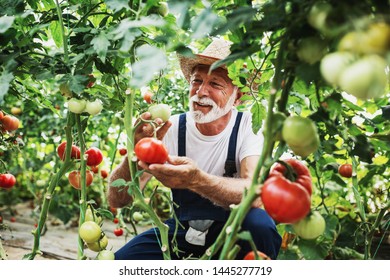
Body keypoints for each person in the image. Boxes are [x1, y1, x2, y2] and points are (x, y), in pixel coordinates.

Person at [107, 38, 282, 260]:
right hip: (182, 231)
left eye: (215, 84)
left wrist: (196, 180)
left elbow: (255, 194)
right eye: (196, 81)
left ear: (237, 97)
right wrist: (133, 153)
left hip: (233, 232)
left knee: (260, 224)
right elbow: (118, 200)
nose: (201, 91)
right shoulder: (170, 128)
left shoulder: (249, 125)